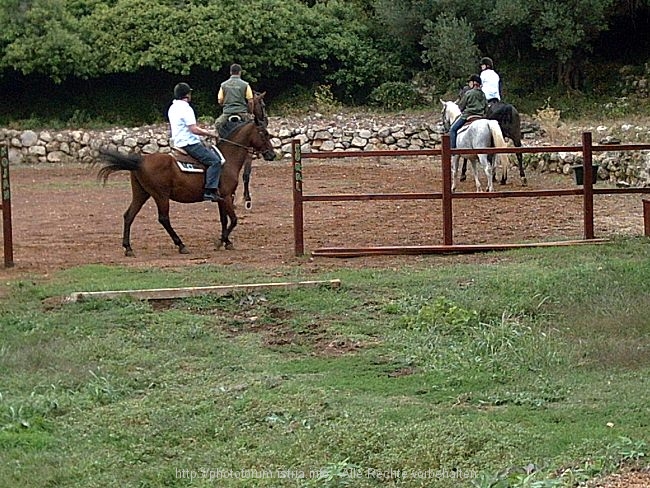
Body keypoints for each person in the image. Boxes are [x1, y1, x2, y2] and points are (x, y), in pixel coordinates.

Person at [168, 82, 224, 202]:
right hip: (189, 143)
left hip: (178, 142)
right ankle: (210, 190)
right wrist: (210, 133)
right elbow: (193, 129)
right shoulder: (186, 108)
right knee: (215, 161)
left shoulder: (172, 107)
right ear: (187, 95)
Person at [449, 74, 487, 149]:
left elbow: (461, 106)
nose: (469, 84)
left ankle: (453, 150)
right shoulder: (483, 94)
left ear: (474, 83)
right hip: (480, 116)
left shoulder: (469, 93)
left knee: (452, 129)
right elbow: (486, 107)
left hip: (468, 115)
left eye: (470, 82)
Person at [215, 63, 254, 129]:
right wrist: (250, 113)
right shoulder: (245, 85)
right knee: (252, 126)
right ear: (240, 72)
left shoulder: (223, 85)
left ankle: (220, 139)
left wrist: (225, 105)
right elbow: (250, 101)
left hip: (227, 112)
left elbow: (220, 101)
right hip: (242, 112)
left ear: (230, 72)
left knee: (217, 124)